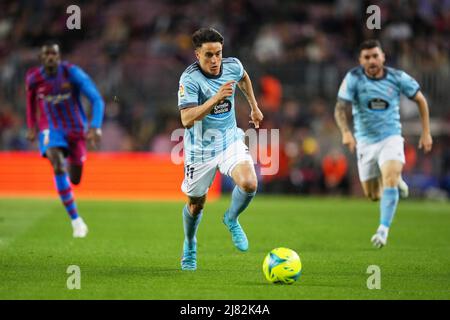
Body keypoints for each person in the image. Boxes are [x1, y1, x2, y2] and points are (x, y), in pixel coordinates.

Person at [177, 27, 264, 270]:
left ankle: (231, 218)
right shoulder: (189, 80)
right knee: (196, 205)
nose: (215, 60)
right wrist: (215, 98)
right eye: (208, 55)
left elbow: (244, 77)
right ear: (197, 55)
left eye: (218, 53)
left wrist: (254, 107)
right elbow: (186, 119)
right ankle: (190, 243)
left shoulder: (232, 66)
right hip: (200, 150)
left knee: (249, 183)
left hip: (228, 141)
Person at [334, 39, 432, 248]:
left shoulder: (397, 77)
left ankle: (383, 229)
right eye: (367, 57)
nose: (372, 60)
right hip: (365, 142)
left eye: (375, 56)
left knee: (389, 177)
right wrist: (346, 133)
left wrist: (426, 133)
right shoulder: (353, 78)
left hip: (391, 137)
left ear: (383, 57)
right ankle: (396, 181)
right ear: (361, 60)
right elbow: (340, 108)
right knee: (373, 196)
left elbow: (421, 100)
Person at [26, 42, 105, 238]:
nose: (51, 57)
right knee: (58, 164)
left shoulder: (72, 73)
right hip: (51, 129)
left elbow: (96, 99)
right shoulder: (34, 78)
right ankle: (76, 221)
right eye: (47, 54)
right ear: (41, 58)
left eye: (54, 53)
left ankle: (67, 178)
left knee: (75, 179)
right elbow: (30, 103)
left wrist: (95, 126)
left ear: (59, 56)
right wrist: (32, 126)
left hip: (77, 130)